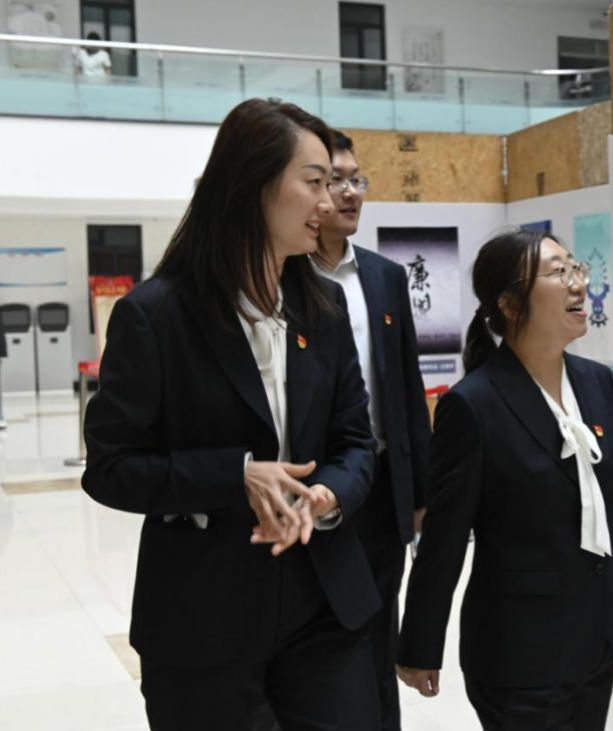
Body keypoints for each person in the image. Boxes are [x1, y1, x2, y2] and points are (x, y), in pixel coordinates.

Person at [82, 98, 382, 731]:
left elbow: (357, 442)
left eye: (332, 183)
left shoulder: (323, 309)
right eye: (314, 182)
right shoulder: (156, 316)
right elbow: (109, 469)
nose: (329, 201)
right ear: (254, 185)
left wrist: (326, 495)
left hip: (325, 608)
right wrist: (235, 476)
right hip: (203, 620)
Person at [396, 229, 613, 730]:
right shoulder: (473, 405)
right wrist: (420, 645)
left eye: (576, 268)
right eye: (559, 273)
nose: (578, 283)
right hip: (518, 654)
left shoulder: (596, 382)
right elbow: (444, 539)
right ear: (511, 303)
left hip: (597, 638)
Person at [311, 130, 432, 731]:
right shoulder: (286, 275)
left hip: (383, 483)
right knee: (331, 634)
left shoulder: (384, 277)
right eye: (335, 180)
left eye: (357, 180)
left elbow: (407, 385)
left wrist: (420, 492)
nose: (350, 193)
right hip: (319, 485)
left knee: (383, 625)